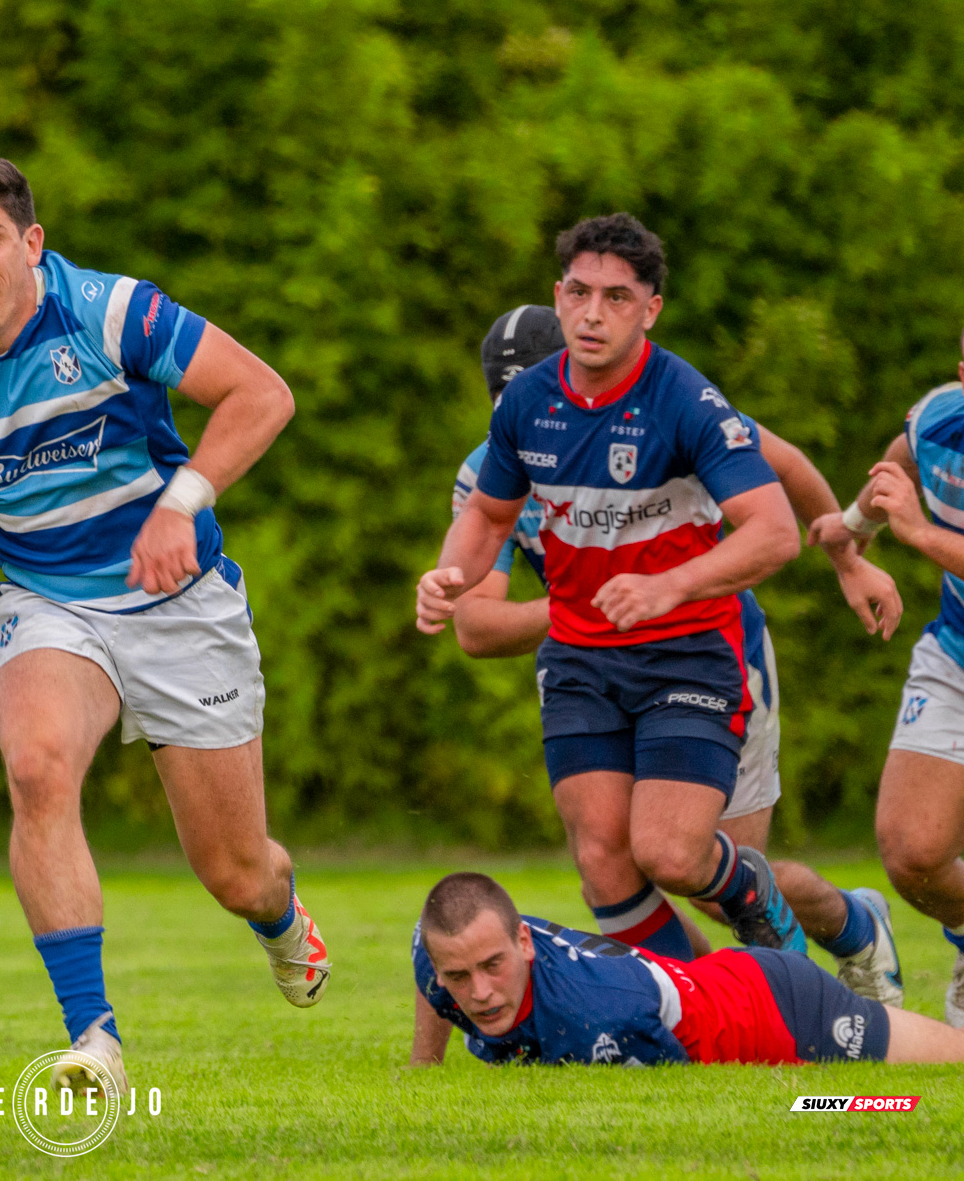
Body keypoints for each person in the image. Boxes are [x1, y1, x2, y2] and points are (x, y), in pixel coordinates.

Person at [0, 156, 318, 1096]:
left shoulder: (111, 313)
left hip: (181, 600)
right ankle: (94, 1040)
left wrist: (181, 502)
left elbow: (263, 394)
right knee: (37, 769)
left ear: (31, 243)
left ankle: (282, 919)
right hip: (47, 602)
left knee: (238, 872)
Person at [450, 306, 905, 1001]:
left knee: (713, 878)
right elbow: (476, 626)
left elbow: (782, 464)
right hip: (596, 663)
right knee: (613, 859)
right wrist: (582, 604)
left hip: (710, 649)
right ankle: (696, 1006)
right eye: (502, 398)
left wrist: (845, 558)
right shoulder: (492, 468)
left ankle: (855, 927)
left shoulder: (664, 410)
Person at [418, 213, 809, 956]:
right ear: (558, 294)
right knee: (602, 860)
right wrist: (448, 576)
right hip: (581, 659)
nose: (593, 313)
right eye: (578, 292)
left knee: (670, 854)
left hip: (686, 650)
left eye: (617, 297)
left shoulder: (684, 400)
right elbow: (489, 518)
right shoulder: (529, 402)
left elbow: (774, 531)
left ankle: (758, 899)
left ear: (651, 307)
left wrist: (672, 586)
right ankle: (694, 1003)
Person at [407, 872, 964, 1066]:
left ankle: (858, 922)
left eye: (493, 966)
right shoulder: (438, 956)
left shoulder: (594, 1017)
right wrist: (423, 1064)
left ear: (523, 941)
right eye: (459, 976)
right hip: (720, 980)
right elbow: (427, 967)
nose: (479, 993)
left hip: (777, 1011)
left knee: (896, 1088)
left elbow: (684, 1090)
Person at [810, 329, 964, 1026]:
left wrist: (918, 534)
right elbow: (895, 470)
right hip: (956, 655)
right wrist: (851, 531)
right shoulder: (938, 416)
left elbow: (914, 519)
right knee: (913, 856)